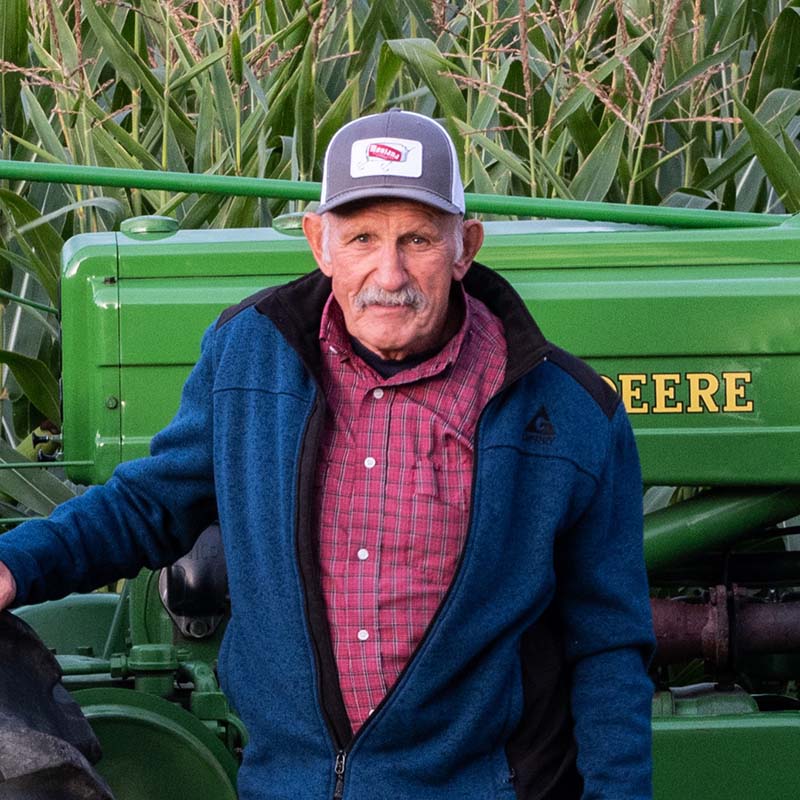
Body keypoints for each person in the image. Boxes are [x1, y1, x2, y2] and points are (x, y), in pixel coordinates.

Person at [0, 110, 654, 799]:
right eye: (362, 237)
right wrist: (16, 564)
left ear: (466, 249)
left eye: (419, 240)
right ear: (319, 243)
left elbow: (608, 647)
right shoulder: (250, 353)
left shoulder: (570, 414)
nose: (389, 272)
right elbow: (149, 505)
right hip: (291, 785)